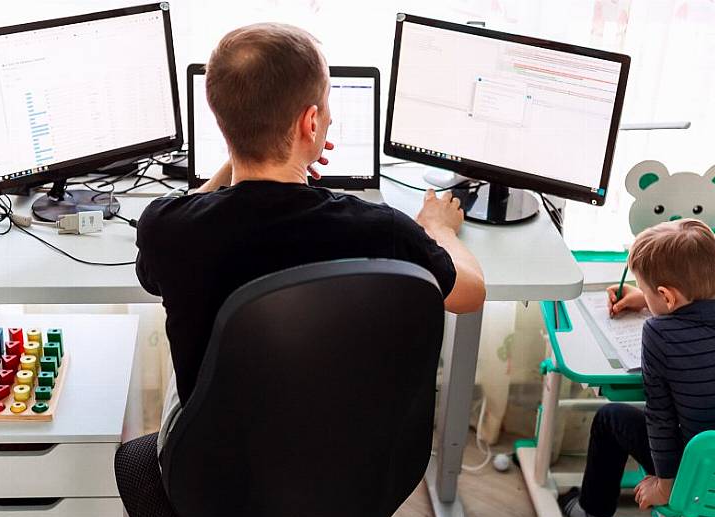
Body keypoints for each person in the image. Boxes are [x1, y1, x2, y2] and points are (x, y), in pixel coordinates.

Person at [135, 23, 486, 424]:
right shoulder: (379, 229)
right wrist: (437, 228)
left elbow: (154, 269)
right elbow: (471, 294)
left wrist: (242, 152)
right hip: (341, 452)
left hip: (215, 467)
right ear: (311, 123)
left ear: (220, 122)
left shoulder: (167, 228)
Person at [559, 219, 715, 517]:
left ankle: (594, 513)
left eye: (650, 292)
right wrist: (649, 299)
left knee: (610, 417)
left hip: (700, 482)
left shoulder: (658, 334)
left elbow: (660, 419)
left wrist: (666, 487)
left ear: (667, 297)